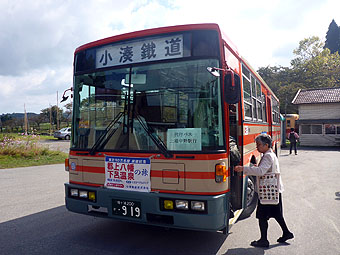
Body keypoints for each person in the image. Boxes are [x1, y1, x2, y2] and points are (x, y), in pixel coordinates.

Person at [234, 134, 294, 248]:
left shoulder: (267, 156)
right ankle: (286, 233)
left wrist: (243, 169)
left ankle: (264, 240)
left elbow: (261, 171)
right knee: (277, 214)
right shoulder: (270, 154)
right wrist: (256, 166)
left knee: (262, 216)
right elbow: (264, 169)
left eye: (259, 145)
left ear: (266, 145)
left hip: (268, 192)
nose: (257, 147)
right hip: (273, 191)